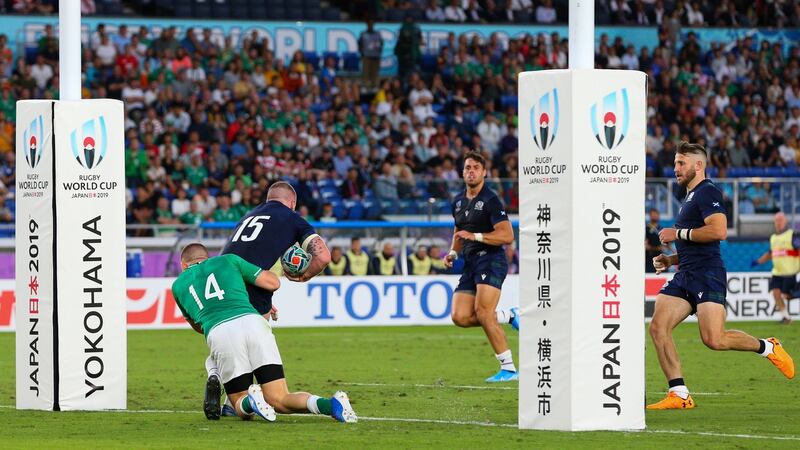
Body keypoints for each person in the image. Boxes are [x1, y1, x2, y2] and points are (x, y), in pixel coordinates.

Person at [648, 142, 794, 410]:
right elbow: (695, 243)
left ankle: (768, 347)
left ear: (698, 165)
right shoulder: (689, 198)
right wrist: (671, 259)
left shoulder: (707, 192)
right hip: (687, 274)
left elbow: (719, 231)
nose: (675, 168)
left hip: (707, 274)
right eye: (675, 162)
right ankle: (679, 393)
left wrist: (677, 234)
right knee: (657, 327)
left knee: (714, 339)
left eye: (682, 163)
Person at [202, 181, 342, 420]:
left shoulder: (247, 217)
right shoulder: (292, 218)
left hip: (224, 285)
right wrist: (303, 276)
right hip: (254, 288)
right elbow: (324, 256)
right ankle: (232, 386)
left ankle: (221, 385)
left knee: (229, 339)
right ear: (293, 203)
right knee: (254, 345)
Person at [172, 243, 355, 423]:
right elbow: (272, 283)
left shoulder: (178, 285)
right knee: (280, 399)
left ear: (184, 265)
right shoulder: (229, 260)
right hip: (254, 322)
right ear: (207, 257)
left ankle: (251, 399)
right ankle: (332, 405)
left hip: (221, 331)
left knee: (238, 405)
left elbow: (198, 326)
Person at [443, 151, 519, 382]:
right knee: (460, 316)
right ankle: (508, 315)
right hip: (470, 262)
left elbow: (507, 236)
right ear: (462, 172)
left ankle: (508, 368)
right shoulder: (457, 201)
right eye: (467, 167)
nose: (471, 171)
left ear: (484, 172)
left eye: (476, 167)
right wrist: (453, 251)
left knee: (484, 313)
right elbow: (459, 230)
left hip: (492, 259)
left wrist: (475, 236)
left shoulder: (491, 200)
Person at [753, 211, 797, 324]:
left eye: (781, 220)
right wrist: (758, 261)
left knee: (787, 296)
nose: (778, 222)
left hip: (790, 271)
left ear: (785, 221)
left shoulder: (792, 235)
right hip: (777, 272)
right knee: (776, 294)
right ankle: (786, 317)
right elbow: (771, 253)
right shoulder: (773, 237)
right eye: (777, 220)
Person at [358, 20, 383, 90]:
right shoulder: (363, 34)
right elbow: (359, 44)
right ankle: (365, 86)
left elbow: (381, 44)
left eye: (371, 24)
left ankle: (374, 85)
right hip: (366, 56)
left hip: (375, 56)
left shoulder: (378, 34)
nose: (370, 25)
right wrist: (361, 53)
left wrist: (379, 52)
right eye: (369, 24)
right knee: (365, 71)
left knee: (374, 71)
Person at [645, 208, 664, 273]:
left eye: (656, 214)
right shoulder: (646, 229)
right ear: (650, 216)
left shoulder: (661, 228)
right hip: (649, 258)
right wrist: (653, 248)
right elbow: (646, 245)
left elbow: (666, 245)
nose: (655, 216)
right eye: (653, 214)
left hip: (661, 258)